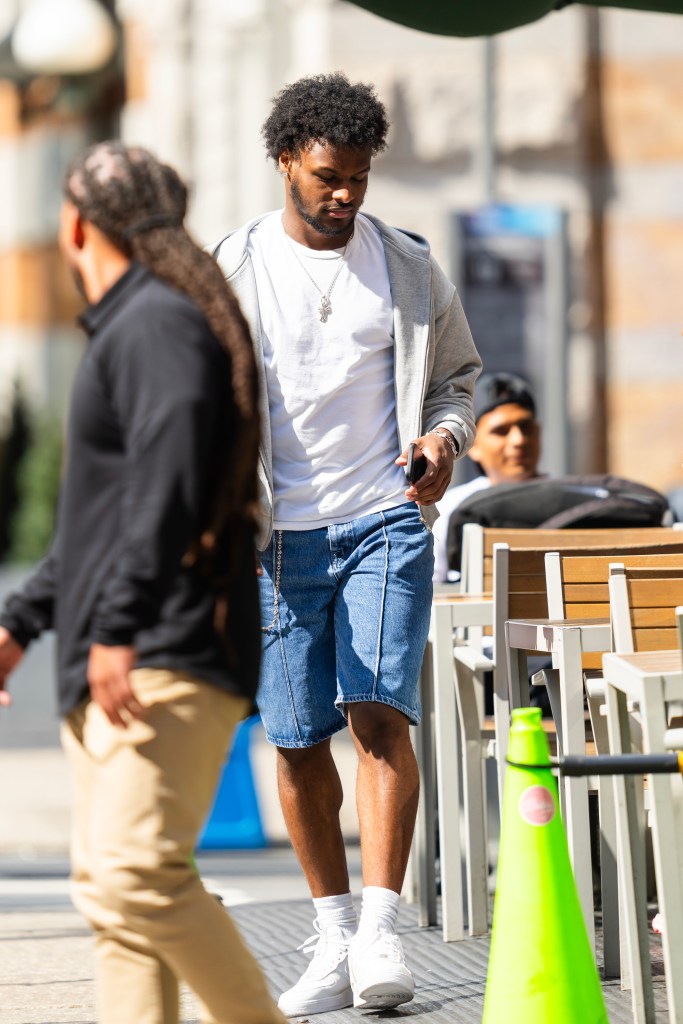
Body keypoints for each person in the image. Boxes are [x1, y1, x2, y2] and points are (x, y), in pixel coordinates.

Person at [211, 73, 481, 1016]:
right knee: (292, 742)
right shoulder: (233, 270)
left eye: (359, 178)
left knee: (377, 713)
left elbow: (456, 380)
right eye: (329, 176)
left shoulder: (406, 267)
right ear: (285, 159)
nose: (346, 195)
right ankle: (329, 937)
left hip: (383, 519)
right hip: (278, 539)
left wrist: (443, 441)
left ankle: (379, 931)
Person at [0, 142, 285, 1024]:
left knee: (134, 876)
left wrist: (118, 626)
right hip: (125, 657)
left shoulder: (155, 325)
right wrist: (21, 623)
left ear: (76, 222)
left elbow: (166, 488)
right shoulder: (136, 326)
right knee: (116, 903)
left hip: (164, 653)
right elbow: (98, 528)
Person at [432, 371, 542, 582]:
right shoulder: (444, 511)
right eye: (501, 431)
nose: (519, 440)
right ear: (472, 445)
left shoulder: (570, 497)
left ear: (539, 432)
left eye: (526, 427)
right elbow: (434, 594)